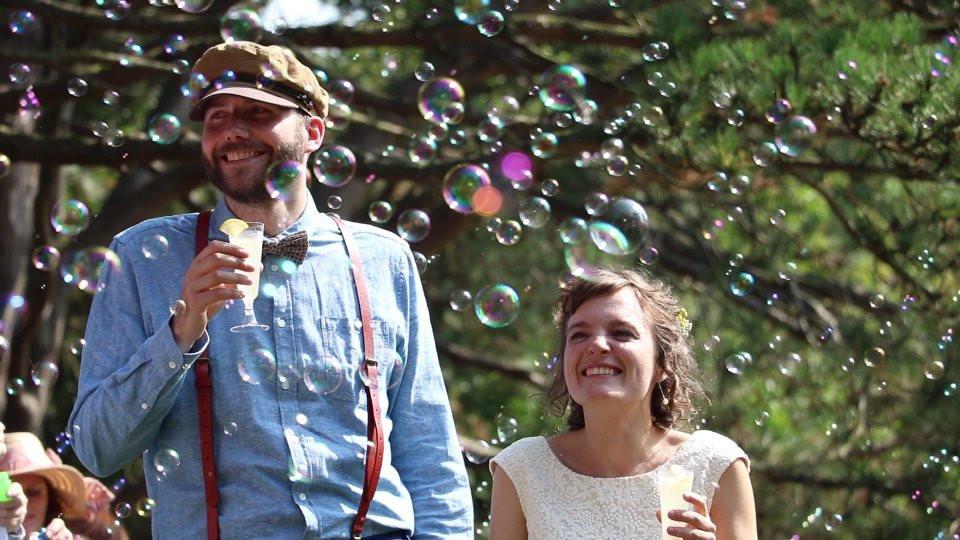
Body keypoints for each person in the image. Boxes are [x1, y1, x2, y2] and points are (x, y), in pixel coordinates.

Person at [68, 41, 472, 538]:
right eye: (215, 117)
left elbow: (428, 446)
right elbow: (96, 448)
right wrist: (180, 330)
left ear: (313, 132)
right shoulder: (141, 255)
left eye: (258, 112)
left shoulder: (384, 258)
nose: (232, 130)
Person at [488, 268, 757, 539]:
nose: (597, 345)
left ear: (663, 363)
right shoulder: (522, 468)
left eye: (621, 333)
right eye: (579, 335)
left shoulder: (716, 464)